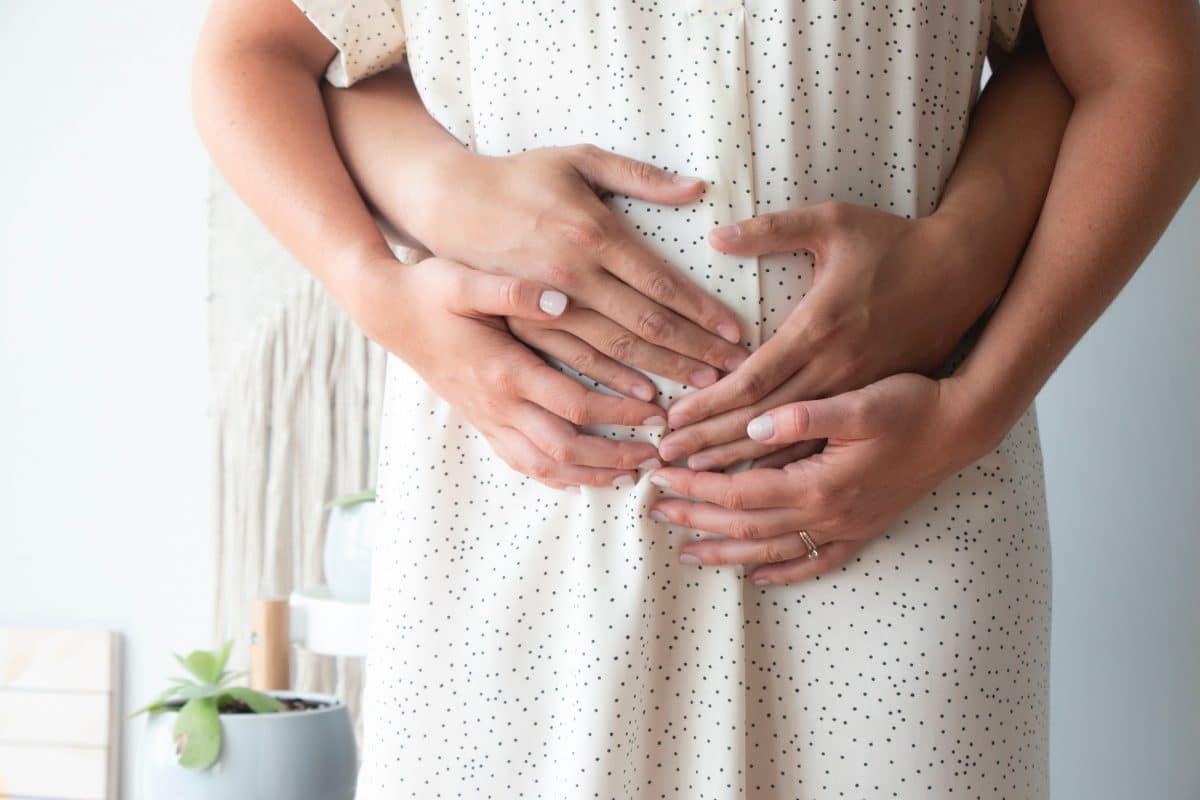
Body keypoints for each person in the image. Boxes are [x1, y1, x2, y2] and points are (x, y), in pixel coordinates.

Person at [191, 0, 1200, 796]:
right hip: (523, 528)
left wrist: (974, 402)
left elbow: (1143, 64)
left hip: (895, 510)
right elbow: (257, 50)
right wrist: (382, 292)